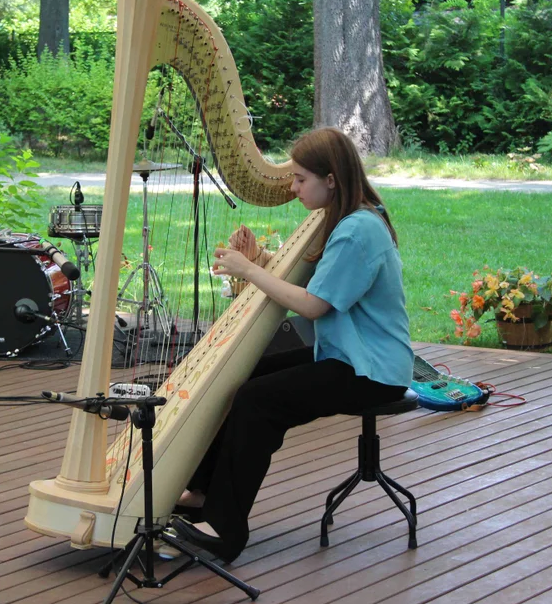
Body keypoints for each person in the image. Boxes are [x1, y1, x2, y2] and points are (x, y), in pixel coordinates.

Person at [169, 127, 414, 563]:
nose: (292, 187)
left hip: (372, 372)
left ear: (331, 178)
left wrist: (250, 268)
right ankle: (203, 493)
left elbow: (314, 306)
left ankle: (226, 529)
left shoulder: (357, 231)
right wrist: (261, 261)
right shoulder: (347, 218)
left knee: (258, 400)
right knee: (246, 378)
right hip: (348, 358)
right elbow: (314, 285)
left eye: (300, 178)